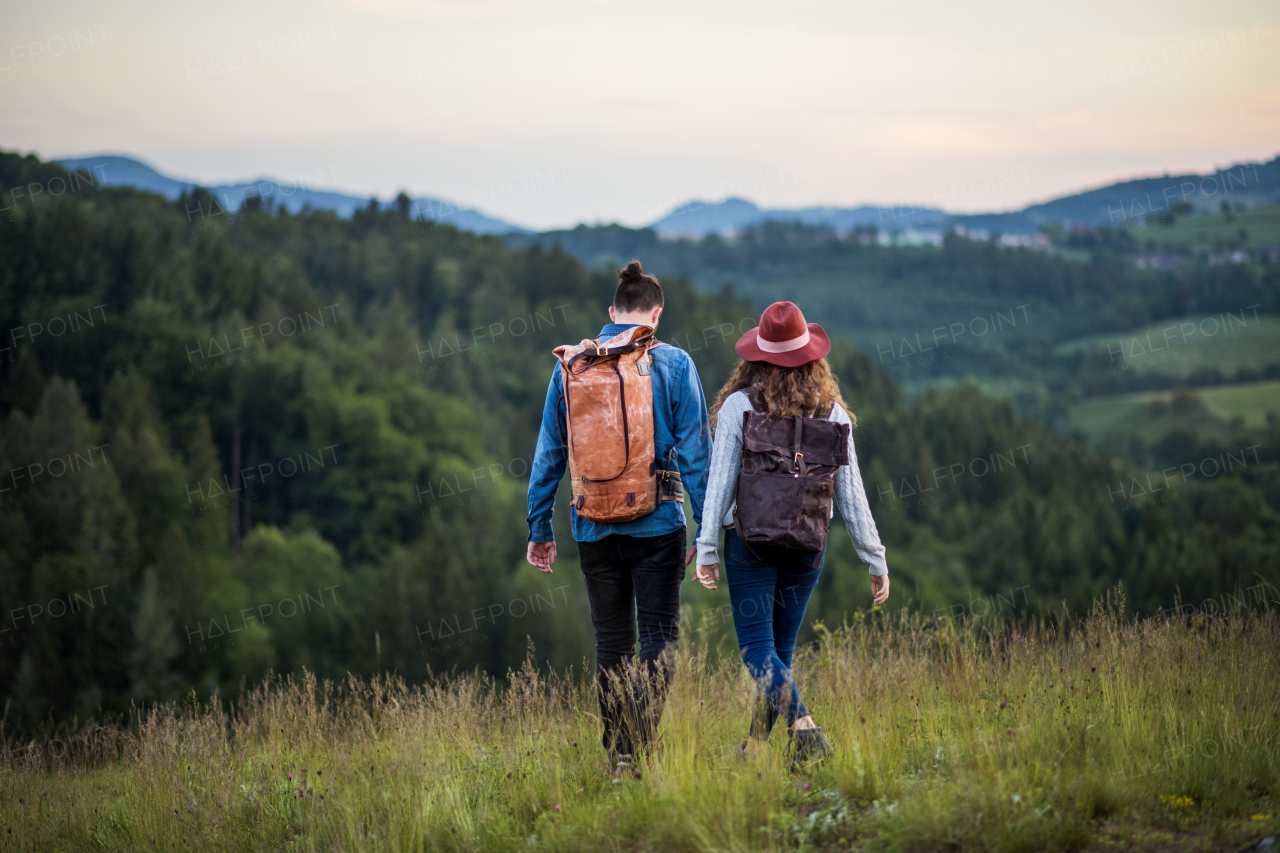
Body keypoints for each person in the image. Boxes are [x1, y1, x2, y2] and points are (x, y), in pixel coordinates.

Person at [526, 260, 712, 780]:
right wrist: (709, 530)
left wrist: (539, 528)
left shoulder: (571, 367)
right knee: (657, 639)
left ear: (612, 313)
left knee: (612, 645)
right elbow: (698, 453)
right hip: (658, 525)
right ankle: (640, 750)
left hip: (593, 528)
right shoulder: (673, 363)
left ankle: (617, 756)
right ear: (655, 315)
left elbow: (548, 455)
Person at [692, 300, 890, 767]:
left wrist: (705, 547)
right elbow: (852, 495)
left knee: (758, 650)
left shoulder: (741, 406)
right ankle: (758, 748)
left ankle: (806, 729)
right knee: (779, 652)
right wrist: (875, 557)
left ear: (757, 356)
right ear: (812, 357)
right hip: (807, 546)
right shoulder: (835, 414)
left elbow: (720, 483)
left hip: (751, 545)